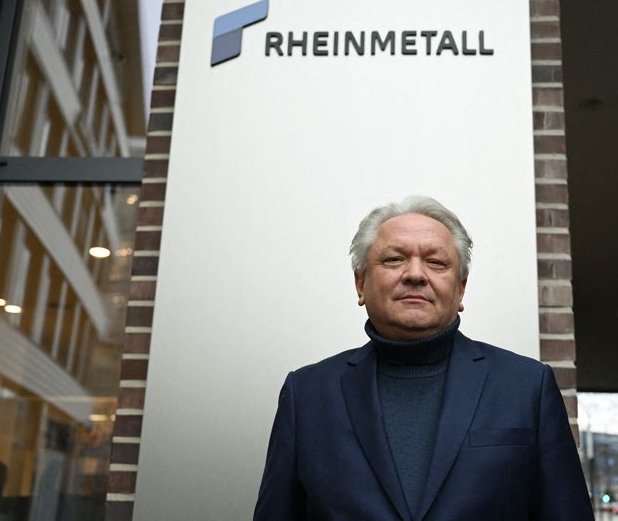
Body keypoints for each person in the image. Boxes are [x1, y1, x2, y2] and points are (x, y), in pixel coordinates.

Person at [254, 196, 593, 520]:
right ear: (360, 283)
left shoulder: (527, 388)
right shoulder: (308, 395)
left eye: (436, 262)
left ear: (460, 289)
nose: (415, 274)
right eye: (394, 259)